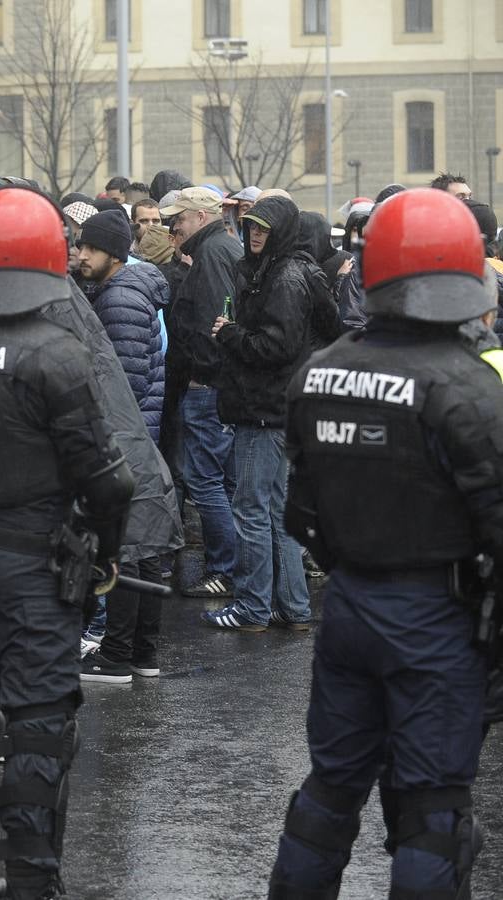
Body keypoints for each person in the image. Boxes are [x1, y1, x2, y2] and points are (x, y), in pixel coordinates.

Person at [268, 188, 501, 898]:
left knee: (330, 790)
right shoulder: (469, 385)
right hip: (436, 618)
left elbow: (300, 513)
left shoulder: (319, 372)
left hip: (350, 607)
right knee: (432, 809)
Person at [0, 188, 135, 900]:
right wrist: (104, 552)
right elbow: (107, 478)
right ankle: (33, 880)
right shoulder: (55, 354)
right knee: (39, 722)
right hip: (33, 558)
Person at [198, 196, 317, 632]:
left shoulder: (284, 276)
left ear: (281, 231)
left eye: (263, 228)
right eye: (250, 227)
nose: (254, 235)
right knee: (275, 511)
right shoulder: (291, 270)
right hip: (277, 407)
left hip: (264, 409)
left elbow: (275, 347)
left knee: (251, 508)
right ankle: (291, 606)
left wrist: (229, 334)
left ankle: (252, 607)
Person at [73, 210, 169, 682]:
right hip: (139, 434)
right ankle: (142, 653)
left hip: (124, 437)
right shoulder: (125, 291)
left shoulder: (118, 300)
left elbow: (119, 383)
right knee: (145, 545)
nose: (79, 254)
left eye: (88, 248)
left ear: (113, 253)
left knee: (129, 547)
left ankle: (116, 654)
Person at [160, 185, 242, 599]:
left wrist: (202, 375)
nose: (175, 225)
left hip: (207, 384)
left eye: (181, 217)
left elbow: (213, 320)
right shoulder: (223, 249)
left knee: (206, 481)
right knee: (223, 482)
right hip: (220, 383)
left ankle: (226, 569)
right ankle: (233, 567)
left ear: (202, 217)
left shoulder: (211, 255)